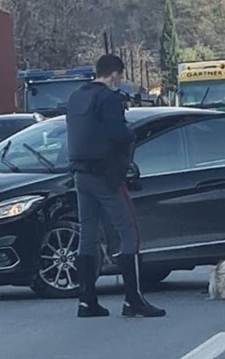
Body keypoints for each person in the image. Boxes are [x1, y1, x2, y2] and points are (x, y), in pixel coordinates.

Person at [67, 54, 165, 318]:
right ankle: (133, 300)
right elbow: (119, 135)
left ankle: (86, 301)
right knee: (129, 232)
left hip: (80, 175)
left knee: (87, 236)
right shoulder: (110, 99)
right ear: (114, 74)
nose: (119, 81)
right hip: (106, 176)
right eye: (119, 77)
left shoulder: (76, 97)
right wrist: (131, 135)